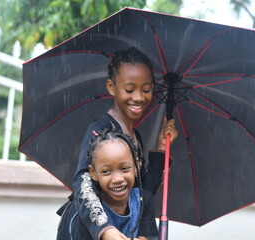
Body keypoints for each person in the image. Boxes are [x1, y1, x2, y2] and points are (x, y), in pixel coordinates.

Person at [57, 47, 178, 240]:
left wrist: (162, 147)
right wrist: (105, 230)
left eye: (146, 89)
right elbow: (84, 183)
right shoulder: (100, 128)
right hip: (87, 232)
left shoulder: (135, 136)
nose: (139, 97)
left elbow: (142, 191)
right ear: (112, 87)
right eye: (129, 89)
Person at [67, 129, 158, 239]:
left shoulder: (143, 200)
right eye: (106, 171)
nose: (117, 179)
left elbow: (145, 236)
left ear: (136, 166)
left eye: (124, 168)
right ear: (93, 173)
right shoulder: (88, 213)